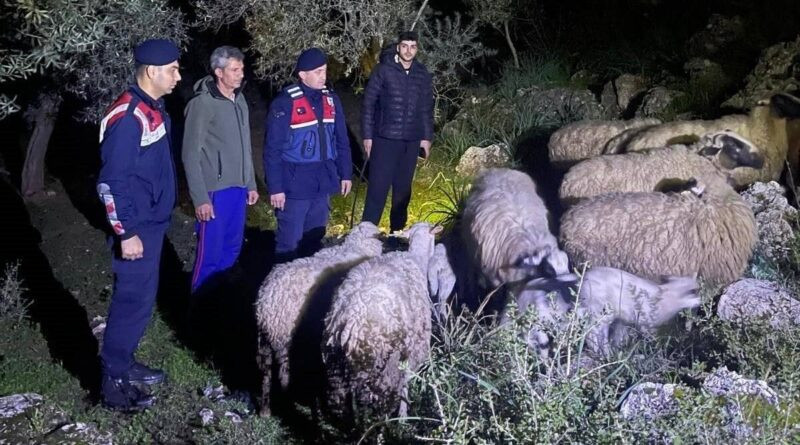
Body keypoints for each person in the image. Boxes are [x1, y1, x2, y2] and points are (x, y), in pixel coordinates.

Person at [96, 39, 181, 411]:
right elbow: (111, 182)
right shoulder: (128, 117)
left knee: (142, 300)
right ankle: (112, 383)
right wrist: (126, 231)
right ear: (152, 72)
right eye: (173, 69)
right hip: (137, 226)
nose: (178, 76)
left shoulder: (153, 108)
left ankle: (123, 362)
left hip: (151, 220)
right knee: (131, 300)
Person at [263, 47, 352, 262]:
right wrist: (276, 188)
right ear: (303, 75)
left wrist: (346, 173)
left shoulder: (331, 100)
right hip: (295, 186)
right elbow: (272, 149)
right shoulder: (285, 103)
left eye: (325, 70)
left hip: (322, 183)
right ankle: (281, 290)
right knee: (289, 243)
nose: (324, 76)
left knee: (314, 240)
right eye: (318, 71)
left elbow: (341, 140)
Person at [182, 46, 258, 293]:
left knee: (232, 250)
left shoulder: (240, 100)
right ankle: (197, 313)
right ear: (218, 72)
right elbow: (190, 154)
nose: (240, 74)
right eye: (235, 70)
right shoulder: (202, 104)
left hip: (238, 189)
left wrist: (251, 183)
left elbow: (246, 144)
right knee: (209, 257)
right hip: (215, 192)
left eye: (242, 69)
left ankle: (219, 305)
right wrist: (200, 198)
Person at [360, 31, 434, 236]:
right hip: (385, 140)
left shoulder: (422, 73)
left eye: (412, 46)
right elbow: (368, 104)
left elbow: (427, 107)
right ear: (398, 47)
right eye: (404, 46)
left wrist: (426, 138)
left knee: (403, 191)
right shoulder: (383, 71)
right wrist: (367, 136)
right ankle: (365, 235)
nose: (408, 50)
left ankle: (397, 233)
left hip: (411, 141)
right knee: (378, 189)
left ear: (417, 49)